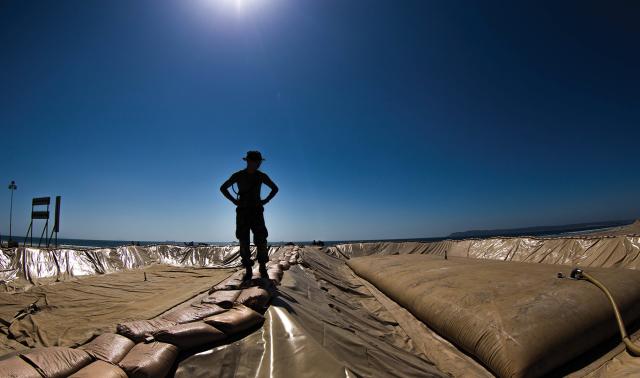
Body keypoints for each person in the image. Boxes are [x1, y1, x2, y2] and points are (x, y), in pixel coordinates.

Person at [220, 151, 279, 282]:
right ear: (249, 161)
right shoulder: (238, 175)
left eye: (259, 162)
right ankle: (248, 269)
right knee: (243, 240)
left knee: (261, 239)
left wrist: (265, 201)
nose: (258, 164)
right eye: (256, 161)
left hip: (257, 211)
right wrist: (234, 201)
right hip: (242, 212)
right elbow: (223, 188)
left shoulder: (261, 176)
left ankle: (263, 267)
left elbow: (275, 188)